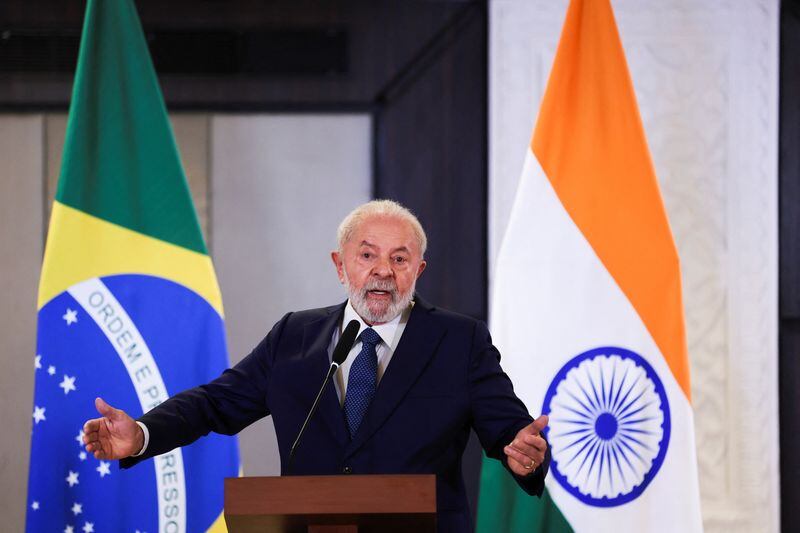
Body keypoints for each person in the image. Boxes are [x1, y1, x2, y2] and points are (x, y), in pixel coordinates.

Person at [83, 199, 550, 532]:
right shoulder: (294, 336)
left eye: (400, 258)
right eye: (367, 255)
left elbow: (508, 432)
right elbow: (215, 403)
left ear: (419, 270)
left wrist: (525, 453)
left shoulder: (458, 340)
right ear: (340, 265)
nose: (383, 270)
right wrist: (143, 434)